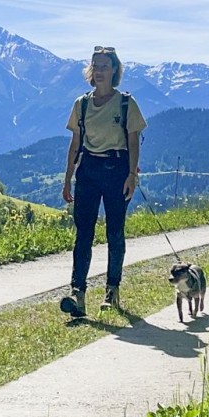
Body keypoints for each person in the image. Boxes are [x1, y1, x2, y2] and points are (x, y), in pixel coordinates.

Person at [61, 45, 146, 315]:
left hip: (116, 170)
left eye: (104, 67)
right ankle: (78, 293)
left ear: (114, 71)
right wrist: (67, 180)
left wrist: (132, 176)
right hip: (88, 170)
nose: (99, 71)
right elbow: (75, 144)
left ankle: (112, 290)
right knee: (83, 233)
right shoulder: (81, 104)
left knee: (114, 232)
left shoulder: (126, 104)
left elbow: (133, 142)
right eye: (95, 66)